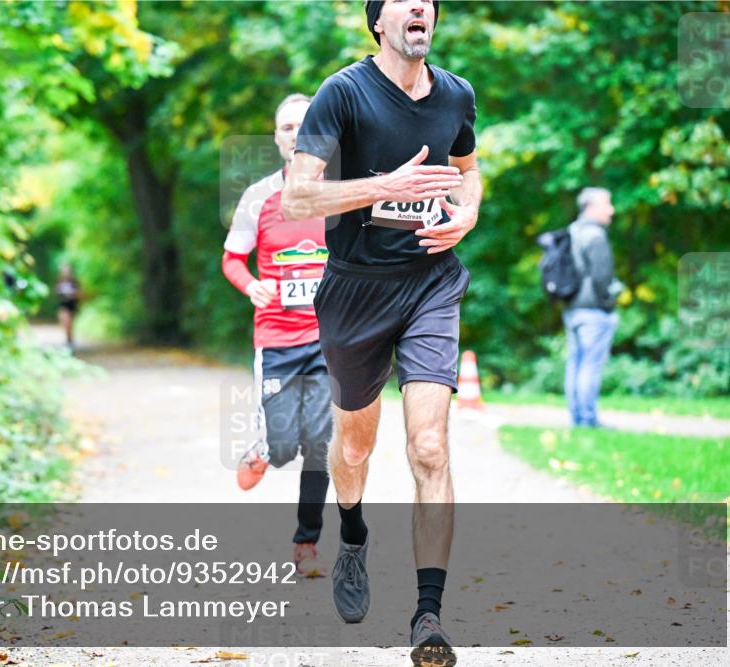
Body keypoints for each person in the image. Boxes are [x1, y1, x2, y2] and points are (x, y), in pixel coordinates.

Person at [282, 1, 480, 663]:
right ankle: (353, 535)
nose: (421, 3)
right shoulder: (342, 93)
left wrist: (465, 217)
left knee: (428, 445)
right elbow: (297, 198)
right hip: (355, 290)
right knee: (356, 449)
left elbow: (469, 170)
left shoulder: (457, 94)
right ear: (379, 20)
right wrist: (380, 187)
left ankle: (428, 615)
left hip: (431, 282)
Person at [222, 93, 333, 578]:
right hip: (277, 339)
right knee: (287, 443)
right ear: (277, 137)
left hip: (330, 340)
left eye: (304, 125)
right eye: (287, 126)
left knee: (321, 442)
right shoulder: (258, 198)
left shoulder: (342, 196)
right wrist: (252, 286)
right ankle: (264, 449)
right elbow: (232, 259)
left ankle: (306, 542)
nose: (296, 133)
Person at [564, 187, 620, 428]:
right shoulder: (595, 235)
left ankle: (578, 417)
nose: (611, 210)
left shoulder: (572, 231)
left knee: (575, 362)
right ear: (591, 206)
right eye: (607, 204)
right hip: (593, 310)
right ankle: (588, 419)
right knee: (590, 364)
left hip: (572, 308)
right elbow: (602, 277)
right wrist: (608, 303)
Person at [54, 264, 81, 350]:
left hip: (72, 306)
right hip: (63, 306)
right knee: (65, 323)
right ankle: (68, 340)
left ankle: (70, 340)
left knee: (70, 325)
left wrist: (72, 295)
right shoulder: (60, 282)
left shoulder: (74, 283)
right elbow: (56, 293)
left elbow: (79, 293)